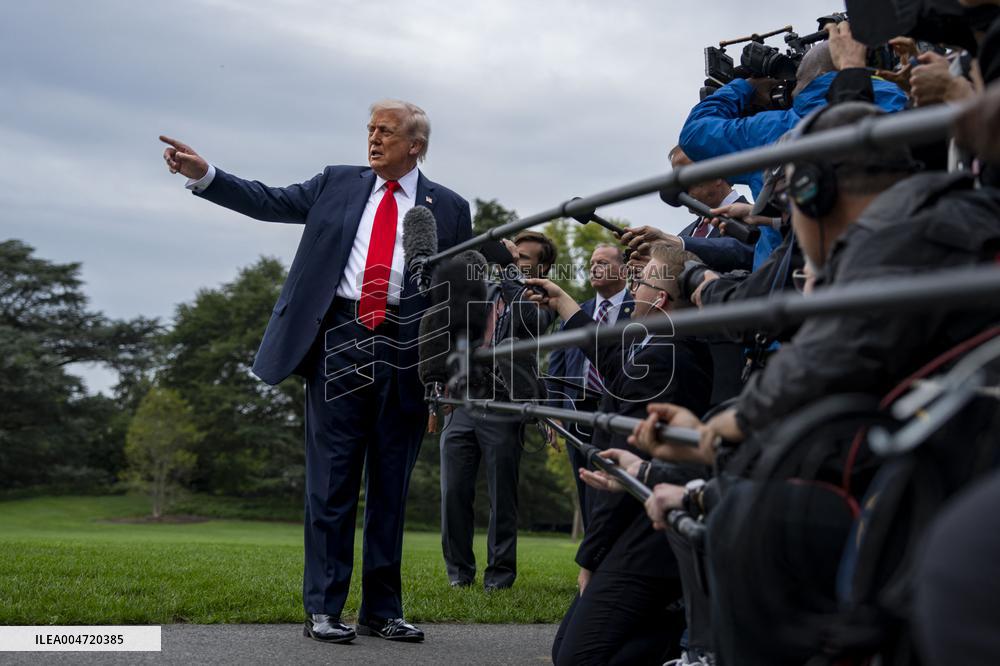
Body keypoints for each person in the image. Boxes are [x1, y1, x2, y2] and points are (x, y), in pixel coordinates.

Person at [160, 99, 472, 644]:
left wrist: (443, 373)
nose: (373, 139)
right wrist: (205, 174)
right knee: (331, 483)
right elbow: (267, 201)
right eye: (370, 130)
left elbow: (458, 293)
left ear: (415, 145)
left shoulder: (448, 207)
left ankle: (382, 610)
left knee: (392, 488)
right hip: (340, 342)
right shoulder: (336, 183)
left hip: (408, 350)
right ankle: (324, 609)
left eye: (386, 132)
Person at [527, 242, 713, 666]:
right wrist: (566, 305)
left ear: (660, 298)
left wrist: (590, 559)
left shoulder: (664, 358)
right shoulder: (668, 344)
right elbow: (616, 368)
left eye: (640, 282)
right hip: (645, 529)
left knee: (578, 658)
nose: (633, 289)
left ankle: (685, 646)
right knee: (565, 651)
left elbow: (618, 474)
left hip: (647, 537)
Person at [678, 38, 909, 267]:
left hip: (794, 282)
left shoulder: (773, 129)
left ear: (809, 78)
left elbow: (694, 134)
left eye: (796, 80)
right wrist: (773, 218)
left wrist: (745, 86)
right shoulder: (912, 107)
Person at [439, 230, 555, 591]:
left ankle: (499, 577)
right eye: (514, 255)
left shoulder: (542, 297)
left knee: (502, 494)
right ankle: (459, 574)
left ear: (543, 266)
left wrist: (511, 275)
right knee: (454, 490)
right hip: (463, 401)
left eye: (526, 258)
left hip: (505, 403)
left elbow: (532, 327)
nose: (517, 261)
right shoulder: (484, 290)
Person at [545, 243, 634, 528]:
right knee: (584, 481)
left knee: (615, 483)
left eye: (604, 262)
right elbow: (556, 364)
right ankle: (590, 554)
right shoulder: (575, 312)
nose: (595, 267)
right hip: (577, 409)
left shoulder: (640, 309)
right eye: (592, 262)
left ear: (624, 269)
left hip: (618, 410)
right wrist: (554, 411)